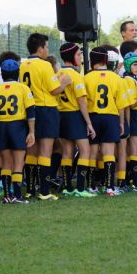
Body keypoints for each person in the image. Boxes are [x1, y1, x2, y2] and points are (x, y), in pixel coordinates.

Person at [19, 33, 71, 201]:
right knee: (45, 151)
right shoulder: (44, 65)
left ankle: (30, 190)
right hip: (46, 109)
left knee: (32, 149)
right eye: (46, 46)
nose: (47, 50)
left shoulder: (23, 65)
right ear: (40, 48)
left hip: (30, 109)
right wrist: (65, 82)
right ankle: (44, 191)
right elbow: (54, 90)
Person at [0, 59, 35, 203]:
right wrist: (31, 132)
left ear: (2, 74)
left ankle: (8, 195)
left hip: (1, 127)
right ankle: (18, 196)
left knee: (6, 162)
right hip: (17, 126)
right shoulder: (23, 88)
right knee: (18, 162)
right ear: (18, 73)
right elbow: (30, 112)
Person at [84, 47, 128, 196]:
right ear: (105, 61)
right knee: (109, 152)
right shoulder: (117, 78)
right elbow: (121, 105)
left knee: (93, 151)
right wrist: (121, 123)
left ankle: (91, 186)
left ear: (91, 61)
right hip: (110, 116)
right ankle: (109, 187)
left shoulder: (87, 77)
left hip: (93, 116)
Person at [57, 42, 96, 197]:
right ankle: (80, 189)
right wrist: (89, 123)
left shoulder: (57, 74)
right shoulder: (75, 76)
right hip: (74, 115)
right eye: (79, 55)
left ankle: (67, 187)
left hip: (61, 115)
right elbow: (81, 102)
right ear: (72, 57)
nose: (81, 58)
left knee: (67, 151)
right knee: (85, 151)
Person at [122, 52, 137, 190]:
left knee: (133, 148)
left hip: (136, 115)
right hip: (132, 115)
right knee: (133, 149)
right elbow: (131, 104)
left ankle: (130, 178)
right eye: (135, 65)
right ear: (127, 65)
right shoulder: (128, 80)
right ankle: (134, 181)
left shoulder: (134, 79)